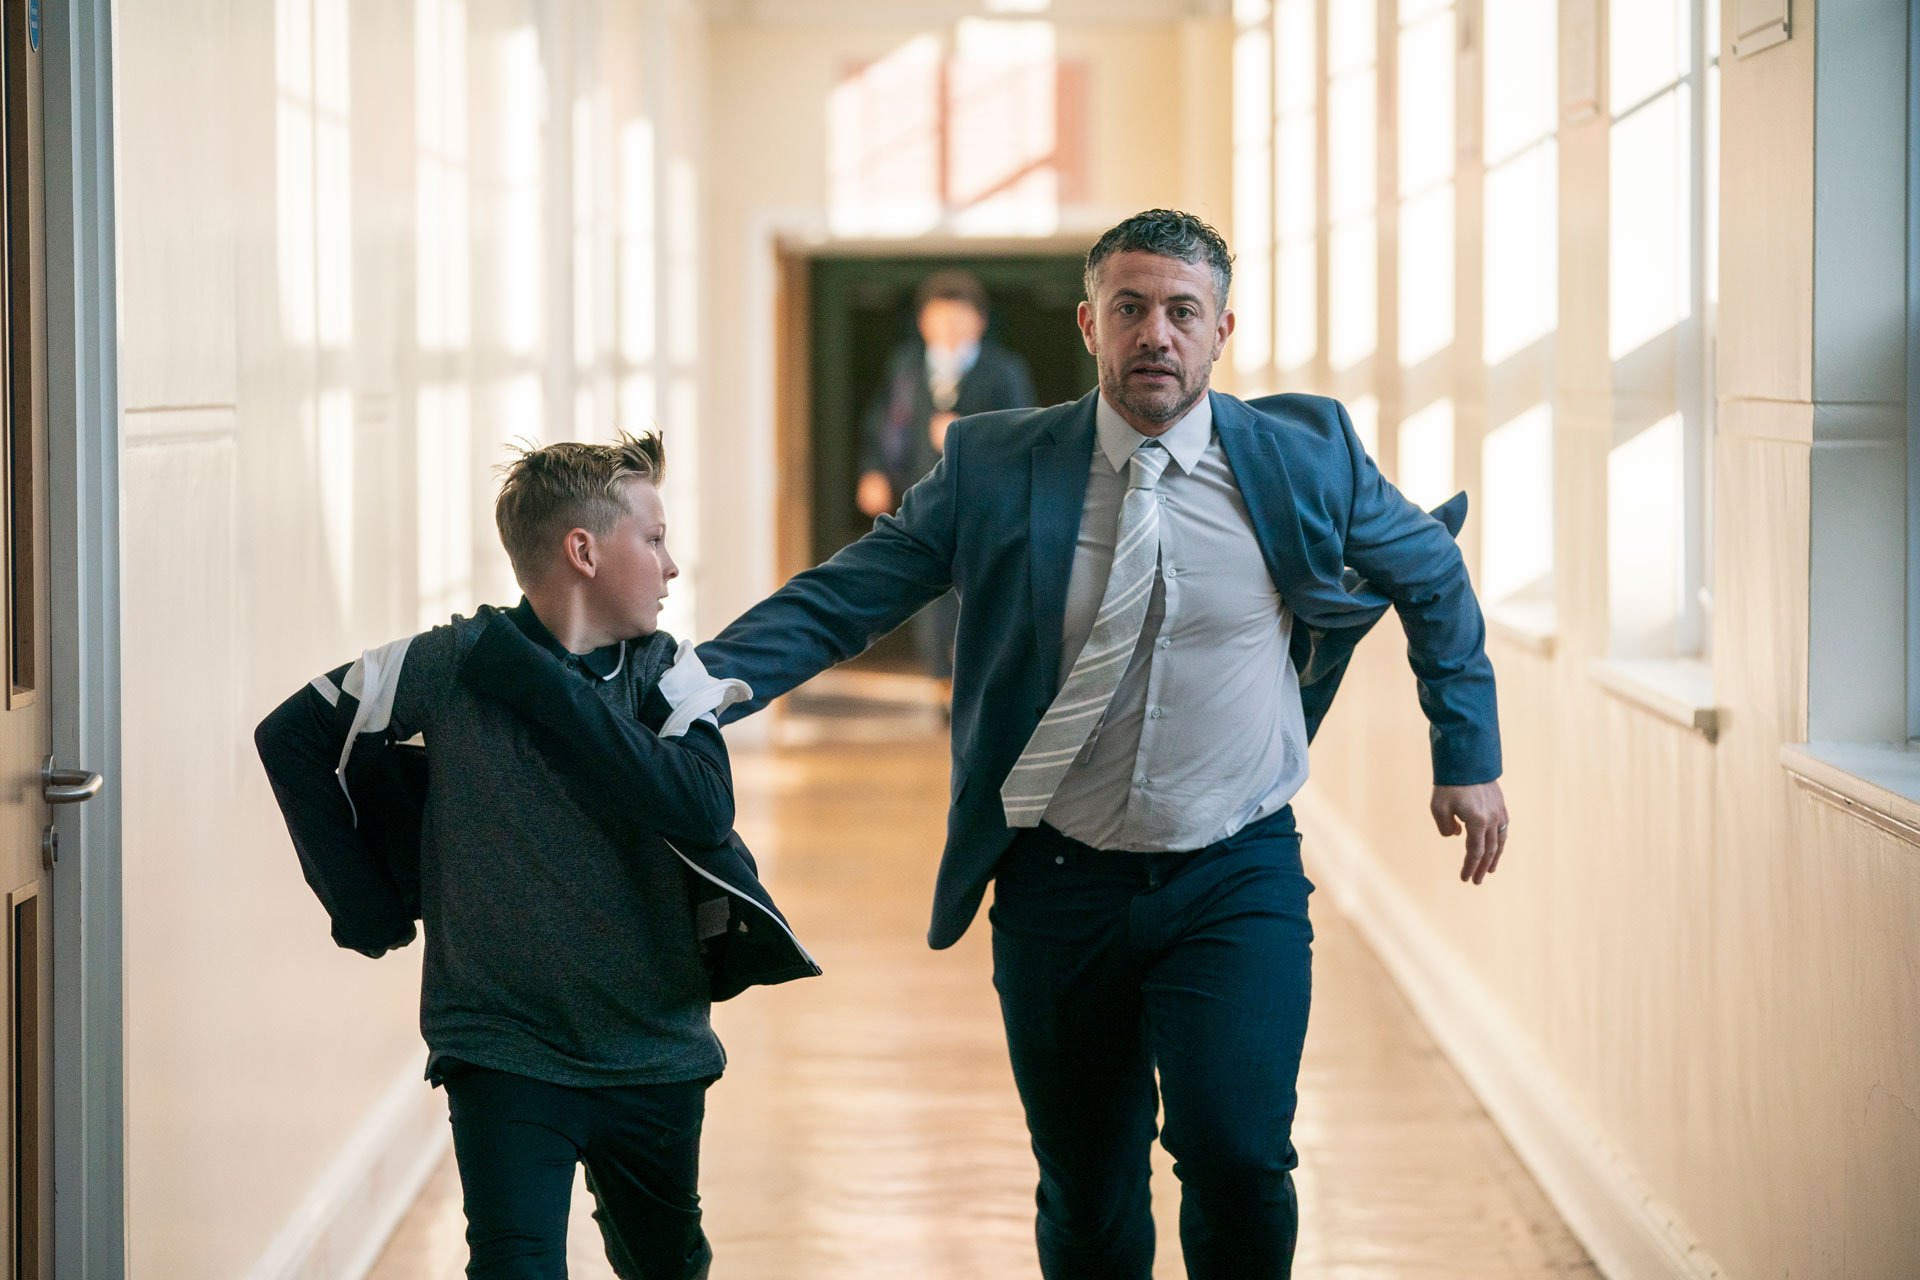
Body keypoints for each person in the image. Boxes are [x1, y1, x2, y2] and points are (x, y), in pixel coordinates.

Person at [698, 210, 1508, 1278]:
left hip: (1236, 867)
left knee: (1238, 1155)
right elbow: (851, 594)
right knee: (1087, 1186)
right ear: (1090, 323)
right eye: (1131, 309)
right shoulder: (996, 464)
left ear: (1223, 329)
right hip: (1059, 881)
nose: (1156, 335)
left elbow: (1430, 573)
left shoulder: (1303, 458)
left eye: (1182, 311)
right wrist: (690, 684)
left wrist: (1467, 751)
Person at [255, 433, 816, 1280]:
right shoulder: (451, 663)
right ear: (583, 550)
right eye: (655, 539)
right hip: (501, 1045)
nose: (672, 567)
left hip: (653, 1049)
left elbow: (700, 807)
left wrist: (538, 684)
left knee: (666, 1265)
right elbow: (290, 733)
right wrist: (360, 898)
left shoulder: (672, 676)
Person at [855, 269, 1036, 681]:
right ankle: (942, 681)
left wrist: (966, 429)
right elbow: (882, 425)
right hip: (921, 498)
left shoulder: (1004, 371)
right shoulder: (907, 368)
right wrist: (873, 472)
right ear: (923, 323)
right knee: (928, 596)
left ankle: (974, 681)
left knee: (980, 595)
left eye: (959, 319)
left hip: (986, 506)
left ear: (980, 322)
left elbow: (1025, 436)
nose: (950, 330)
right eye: (940, 320)